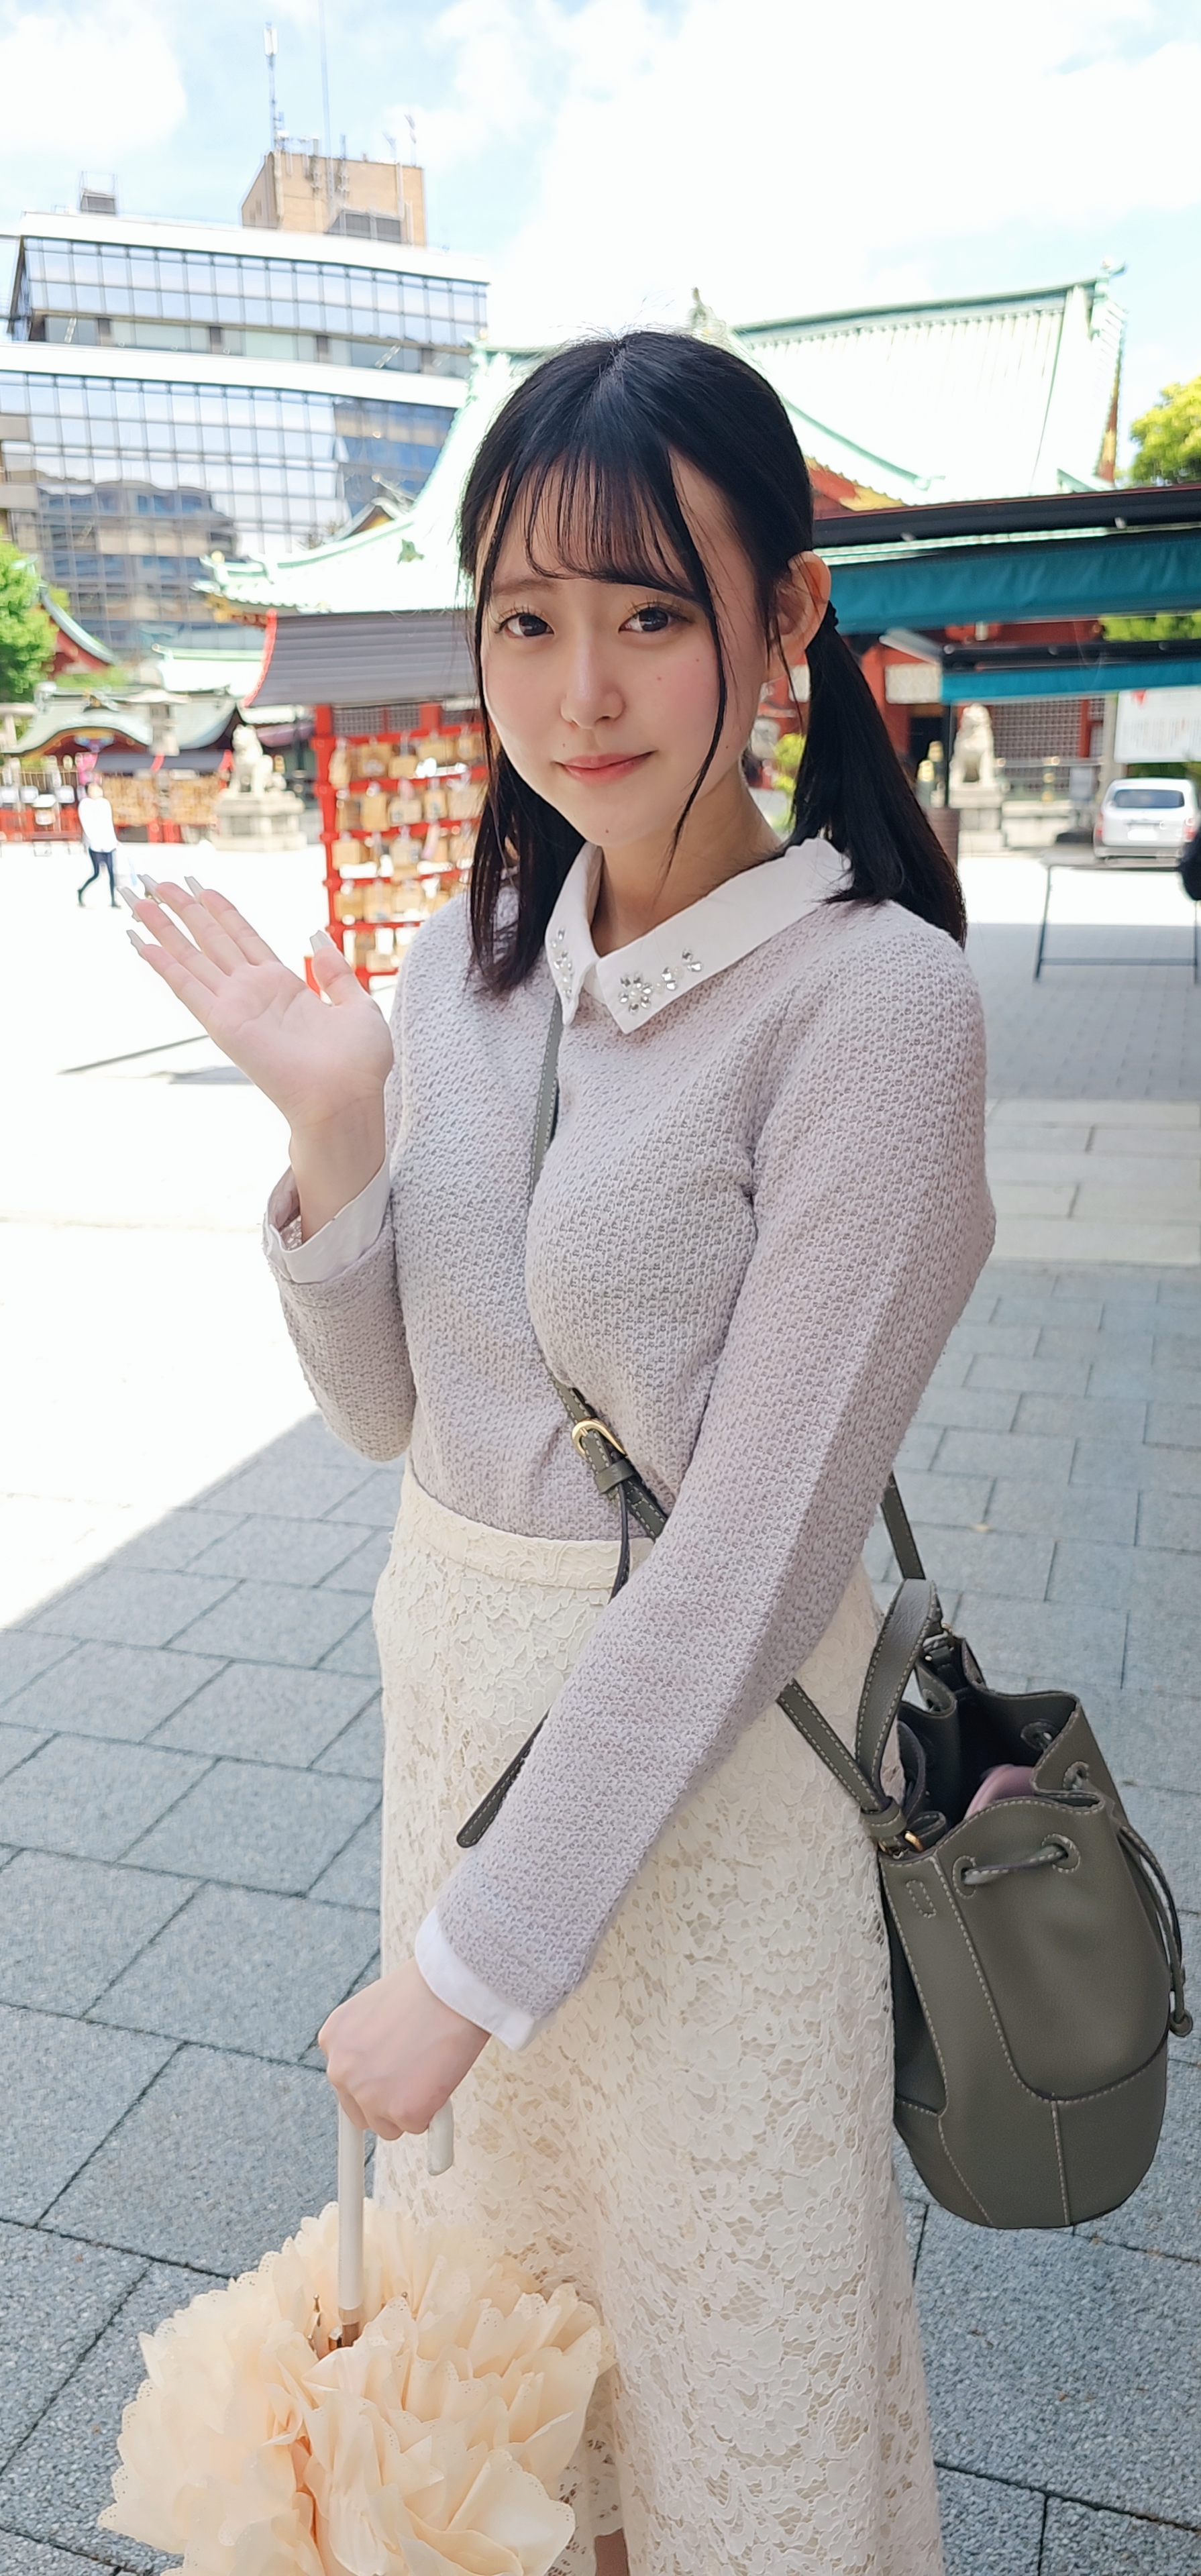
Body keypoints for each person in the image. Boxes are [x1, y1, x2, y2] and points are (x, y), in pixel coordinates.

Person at [123, 331, 993, 2576]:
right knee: (511, 2415)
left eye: (648, 613)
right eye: (525, 618)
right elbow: (391, 1418)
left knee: (720, 2387)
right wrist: (337, 1132)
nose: (578, 688)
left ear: (784, 622)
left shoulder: (872, 1009)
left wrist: (466, 1966)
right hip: (463, 1746)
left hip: (702, 1809)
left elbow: (753, 1557)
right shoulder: (468, 970)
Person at [76, 777, 119, 906]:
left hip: (108, 843)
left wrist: (114, 840)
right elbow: (87, 824)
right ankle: (81, 891)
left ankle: (113, 900)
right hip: (95, 844)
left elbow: (108, 823)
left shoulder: (104, 803)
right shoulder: (85, 804)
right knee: (96, 873)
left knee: (112, 872)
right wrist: (90, 841)